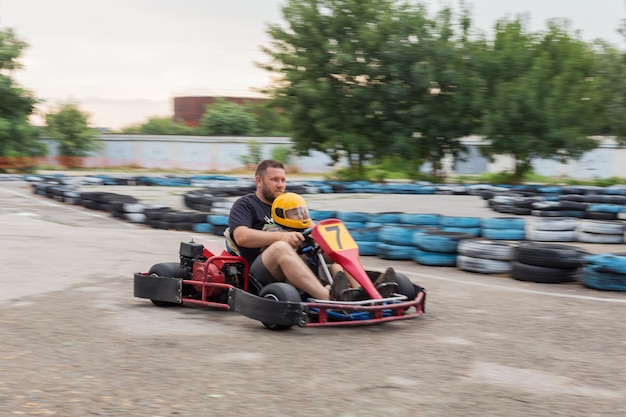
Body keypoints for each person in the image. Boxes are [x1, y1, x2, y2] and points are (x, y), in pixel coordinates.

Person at [226, 159, 396, 301]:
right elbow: (241, 237)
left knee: (335, 250)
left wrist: (323, 239)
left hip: (298, 261)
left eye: (283, 180)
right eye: (275, 180)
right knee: (280, 248)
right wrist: (282, 237)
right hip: (260, 271)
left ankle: (363, 293)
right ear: (259, 181)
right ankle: (327, 298)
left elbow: (309, 227)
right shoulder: (245, 205)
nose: (280, 185)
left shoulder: (289, 202)